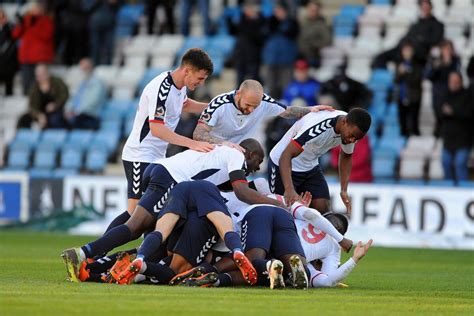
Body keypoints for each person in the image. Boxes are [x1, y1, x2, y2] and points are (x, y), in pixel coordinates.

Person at [61, 139, 284, 282]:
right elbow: (243, 192)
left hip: (167, 174)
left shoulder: (221, 152)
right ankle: (87, 254)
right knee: (136, 228)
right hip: (172, 179)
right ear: (250, 154)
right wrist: (279, 204)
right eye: (259, 160)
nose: (258, 167)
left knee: (148, 232)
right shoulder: (236, 156)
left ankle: (98, 265)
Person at [108, 48, 215, 236]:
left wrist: (217, 106)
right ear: (186, 71)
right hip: (139, 156)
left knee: (150, 212)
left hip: (157, 157)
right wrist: (192, 143)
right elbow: (157, 129)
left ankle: (141, 259)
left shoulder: (179, 87)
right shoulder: (161, 88)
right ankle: (93, 255)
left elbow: (186, 105)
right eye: (200, 78)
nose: (201, 83)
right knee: (134, 214)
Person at [113, 180, 257, 286]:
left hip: (182, 187)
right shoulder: (241, 204)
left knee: (161, 232)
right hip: (206, 195)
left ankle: (140, 258)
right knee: (226, 231)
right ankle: (238, 251)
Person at [268, 108, 372, 214]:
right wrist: (289, 189)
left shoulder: (351, 128)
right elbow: (286, 155)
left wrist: (343, 190)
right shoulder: (317, 128)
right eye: (352, 136)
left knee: (323, 209)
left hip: (310, 166)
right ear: (344, 122)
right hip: (282, 164)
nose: (352, 141)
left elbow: (346, 155)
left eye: (357, 139)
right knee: (284, 213)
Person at [193, 79, 332, 150]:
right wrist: (224, 144)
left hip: (235, 154)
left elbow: (287, 111)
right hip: (211, 151)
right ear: (238, 94)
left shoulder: (264, 101)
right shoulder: (219, 104)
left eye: (256, 106)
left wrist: (311, 109)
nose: (251, 110)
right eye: (248, 105)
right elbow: (198, 134)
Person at [372, 0, 443, 68]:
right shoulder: (416, 24)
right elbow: (406, 36)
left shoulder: (437, 25)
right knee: (380, 58)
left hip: (419, 54)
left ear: (431, 7)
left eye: (427, 6)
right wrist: (403, 46)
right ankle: (382, 78)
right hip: (404, 49)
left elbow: (434, 41)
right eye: (423, 6)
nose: (425, 8)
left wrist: (418, 41)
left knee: (406, 60)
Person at [12, 2, 55, 94]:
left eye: (36, 8)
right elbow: (15, 34)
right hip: (26, 56)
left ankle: (36, 100)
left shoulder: (46, 20)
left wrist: (33, 24)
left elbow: (46, 35)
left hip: (40, 57)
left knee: (38, 82)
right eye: (33, 8)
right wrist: (19, 23)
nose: (34, 10)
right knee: (26, 81)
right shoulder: (26, 20)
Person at [440, 72, 474, 182]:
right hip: (448, 139)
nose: (453, 83)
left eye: (455, 81)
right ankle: (448, 189)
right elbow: (439, 112)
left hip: (463, 139)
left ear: (460, 81)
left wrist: (453, 112)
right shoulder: (445, 95)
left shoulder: (468, 95)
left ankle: (463, 191)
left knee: (460, 164)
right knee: (446, 162)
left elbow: (469, 114)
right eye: (451, 81)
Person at [261, 2, 299, 99]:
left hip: (286, 59)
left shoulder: (291, 23)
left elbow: (291, 33)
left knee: (286, 86)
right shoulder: (269, 23)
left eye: (280, 10)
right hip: (271, 59)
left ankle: (286, 109)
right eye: (276, 10)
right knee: (270, 86)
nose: (277, 13)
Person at [425, 40, 461, 137]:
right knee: (439, 117)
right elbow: (428, 76)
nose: (447, 51)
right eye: (445, 49)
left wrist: (449, 64)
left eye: (449, 49)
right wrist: (437, 65)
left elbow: (458, 77)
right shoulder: (435, 60)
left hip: (451, 94)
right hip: (438, 94)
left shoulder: (455, 60)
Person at [17, 64, 69, 129]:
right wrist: (39, 115)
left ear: (47, 73)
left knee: (55, 119)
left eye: (42, 74)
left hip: (57, 111)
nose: (40, 77)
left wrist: (55, 105)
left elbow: (64, 95)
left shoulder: (57, 82)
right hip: (40, 112)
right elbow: (31, 106)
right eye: (38, 75)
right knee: (24, 119)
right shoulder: (34, 88)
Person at [64, 58, 106, 130]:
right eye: (82, 68)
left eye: (86, 68)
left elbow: (93, 102)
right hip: (77, 115)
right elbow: (72, 99)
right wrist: (68, 110)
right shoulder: (81, 83)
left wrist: (76, 112)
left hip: (90, 116)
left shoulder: (97, 84)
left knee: (68, 122)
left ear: (91, 68)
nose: (83, 70)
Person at [231, 1, 265, 85]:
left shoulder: (261, 21)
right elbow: (233, 32)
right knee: (239, 83)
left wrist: (254, 20)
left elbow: (259, 38)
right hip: (241, 56)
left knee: (254, 83)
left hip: (253, 57)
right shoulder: (242, 20)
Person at [393, 40, 423, 136]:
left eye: (409, 50)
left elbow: (417, 81)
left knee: (414, 123)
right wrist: (400, 73)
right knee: (402, 123)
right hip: (401, 96)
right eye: (405, 50)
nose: (407, 52)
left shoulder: (417, 66)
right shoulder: (399, 65)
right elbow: (395, 81)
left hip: (414, 97)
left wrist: (407, 73)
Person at [297, 0, 331, 68]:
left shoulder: (322, 24)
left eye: (314, 10)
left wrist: (312, 44)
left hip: (313, 58)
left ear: (318, 11)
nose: (312, 12)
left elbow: (327, 40)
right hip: (300, 56)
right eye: (310, 9)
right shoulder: (303, 22)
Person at [0, 8, 18, 96]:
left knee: (9, 87)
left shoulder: (10, 28)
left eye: (2, 16)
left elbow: (13, 43)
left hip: (8, 63)